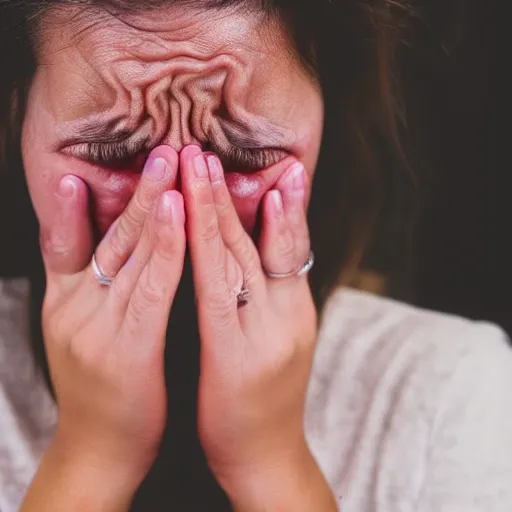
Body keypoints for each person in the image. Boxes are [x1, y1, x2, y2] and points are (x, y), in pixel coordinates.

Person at [1, 1, 512, 511]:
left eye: (244, 155)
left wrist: (270, 462)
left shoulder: (456, 392)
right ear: (14, 120)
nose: (175, 205)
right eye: (107, 152)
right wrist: (92, 455)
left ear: (326, 122)